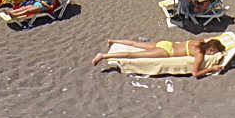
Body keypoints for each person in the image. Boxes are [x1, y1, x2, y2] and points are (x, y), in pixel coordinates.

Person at [90, 37, 227, 77]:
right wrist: (212, 68)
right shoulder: (199, 54)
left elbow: (213, 38)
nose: (211, 54)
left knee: (136, 44)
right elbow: (195, 73)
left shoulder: (199, 41)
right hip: (166, 51)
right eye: (212, 51)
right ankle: (103, 56)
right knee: (133, 55)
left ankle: (113, 41)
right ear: (209, 47)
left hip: (167, 42)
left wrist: (222, 49)